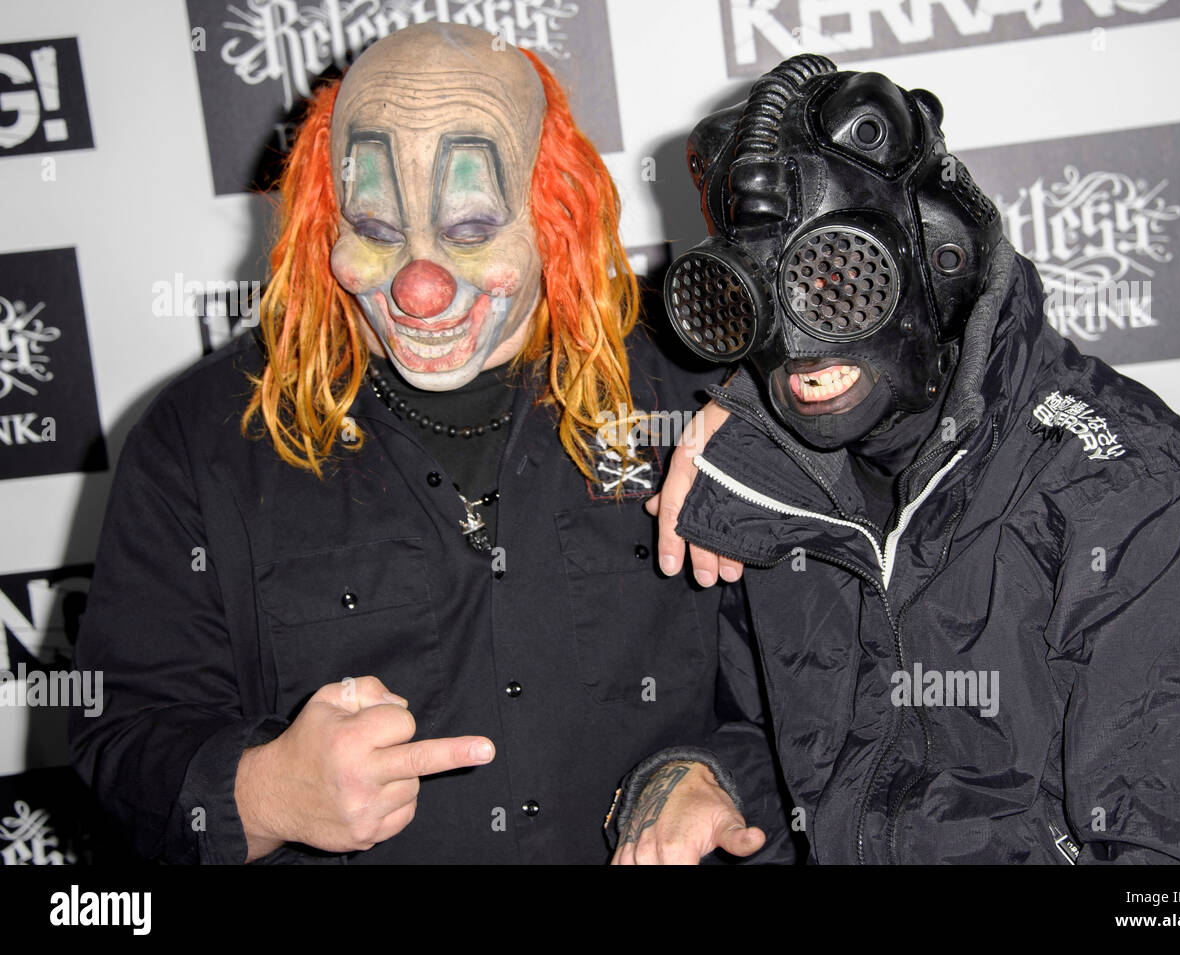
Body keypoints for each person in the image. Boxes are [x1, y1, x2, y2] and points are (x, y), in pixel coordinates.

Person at [67, 22, 790, 865]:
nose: (420, 284)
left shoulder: (698, 393)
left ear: (552, 209)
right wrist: (261, 791)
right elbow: (122, 742)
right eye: (374, 226)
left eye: (474, 227)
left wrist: (716, 775)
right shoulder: (201, 441)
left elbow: (823, 685)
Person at [625, 54, 1180, 864]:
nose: (797, 339)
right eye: (757, 291)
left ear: (942, 256)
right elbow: (794, 748)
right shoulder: (764, 489)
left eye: (839, 277)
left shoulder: (1140, 505)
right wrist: (704, 776)